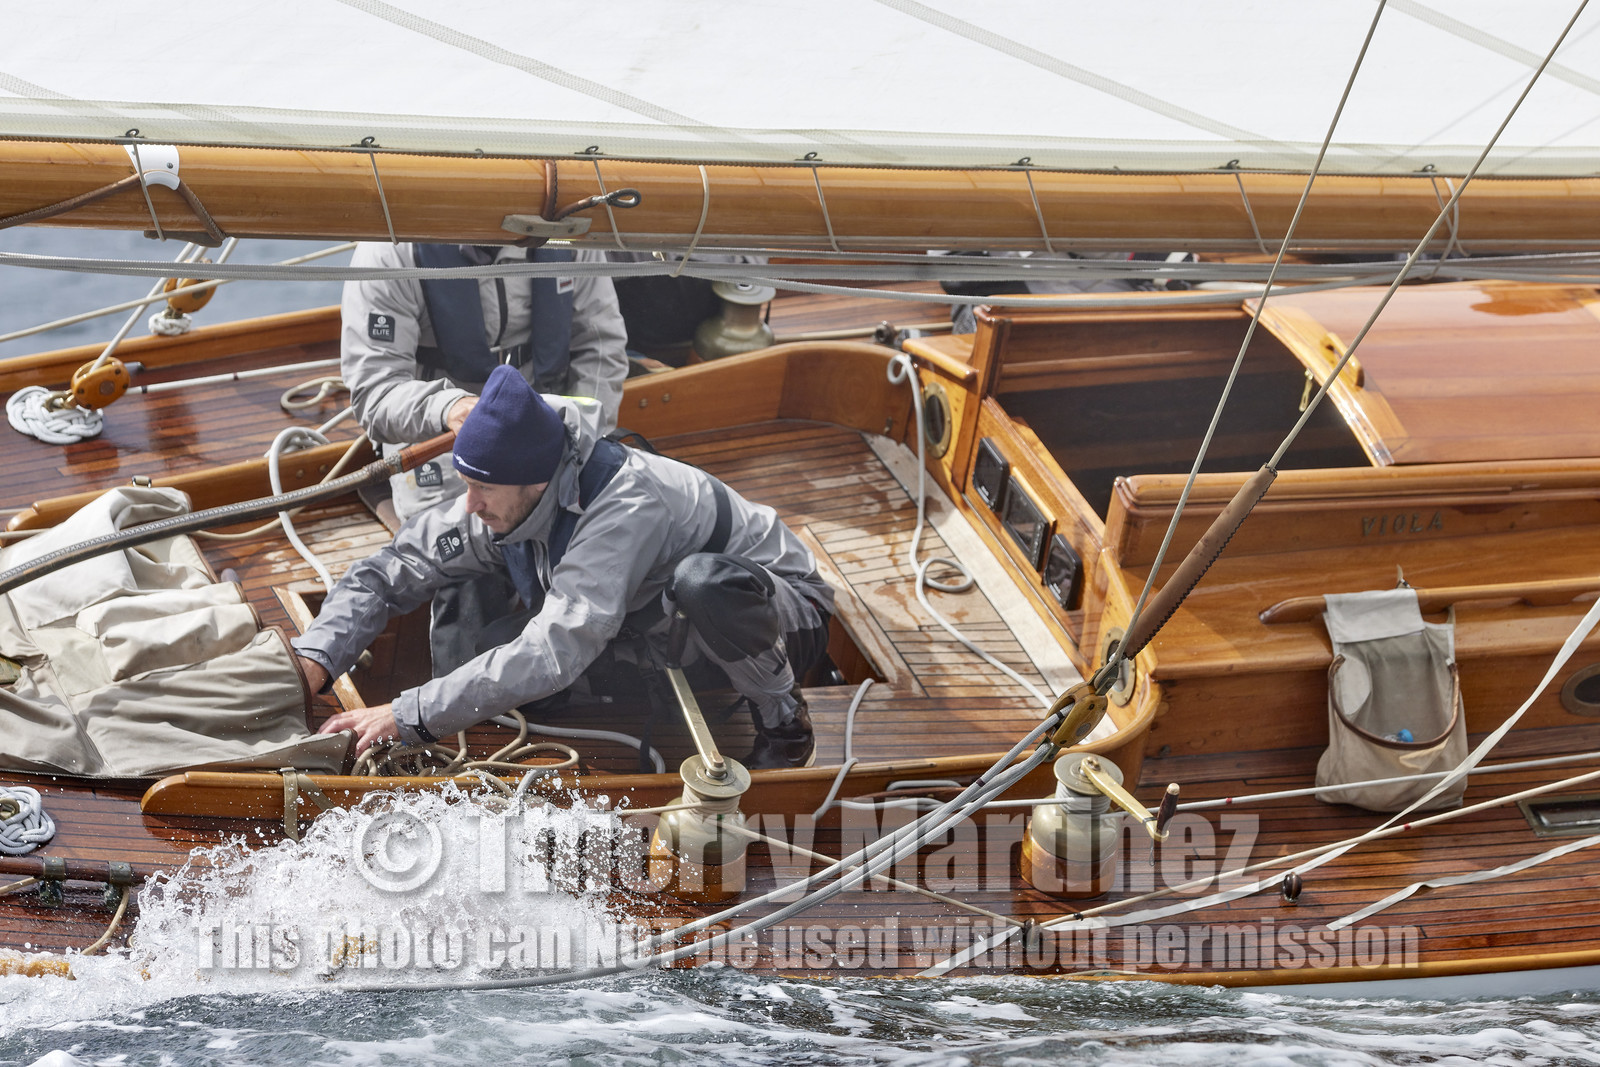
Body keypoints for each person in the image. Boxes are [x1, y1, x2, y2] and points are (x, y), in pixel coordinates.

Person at [293, 365, 833, 770]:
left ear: (535, 483)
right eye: (467, 485)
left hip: (778, 614)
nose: (471, 505)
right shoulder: (512, 487)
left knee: (703, 584)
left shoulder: (625, 506)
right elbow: (391, 569)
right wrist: (316, 658)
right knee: (491, 650)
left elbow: (555, 650)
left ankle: (784, 723)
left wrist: (407, 714)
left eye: (482, 488)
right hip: (656, 622)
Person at [341, 240, 630, 521]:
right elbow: (376, 392)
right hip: (440, 437)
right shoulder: (388, 251)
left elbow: (600, 346)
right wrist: (450, 408)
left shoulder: (568, 229)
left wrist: (581, 440)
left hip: (546, 422)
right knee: (452, 551)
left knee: (596, 525)